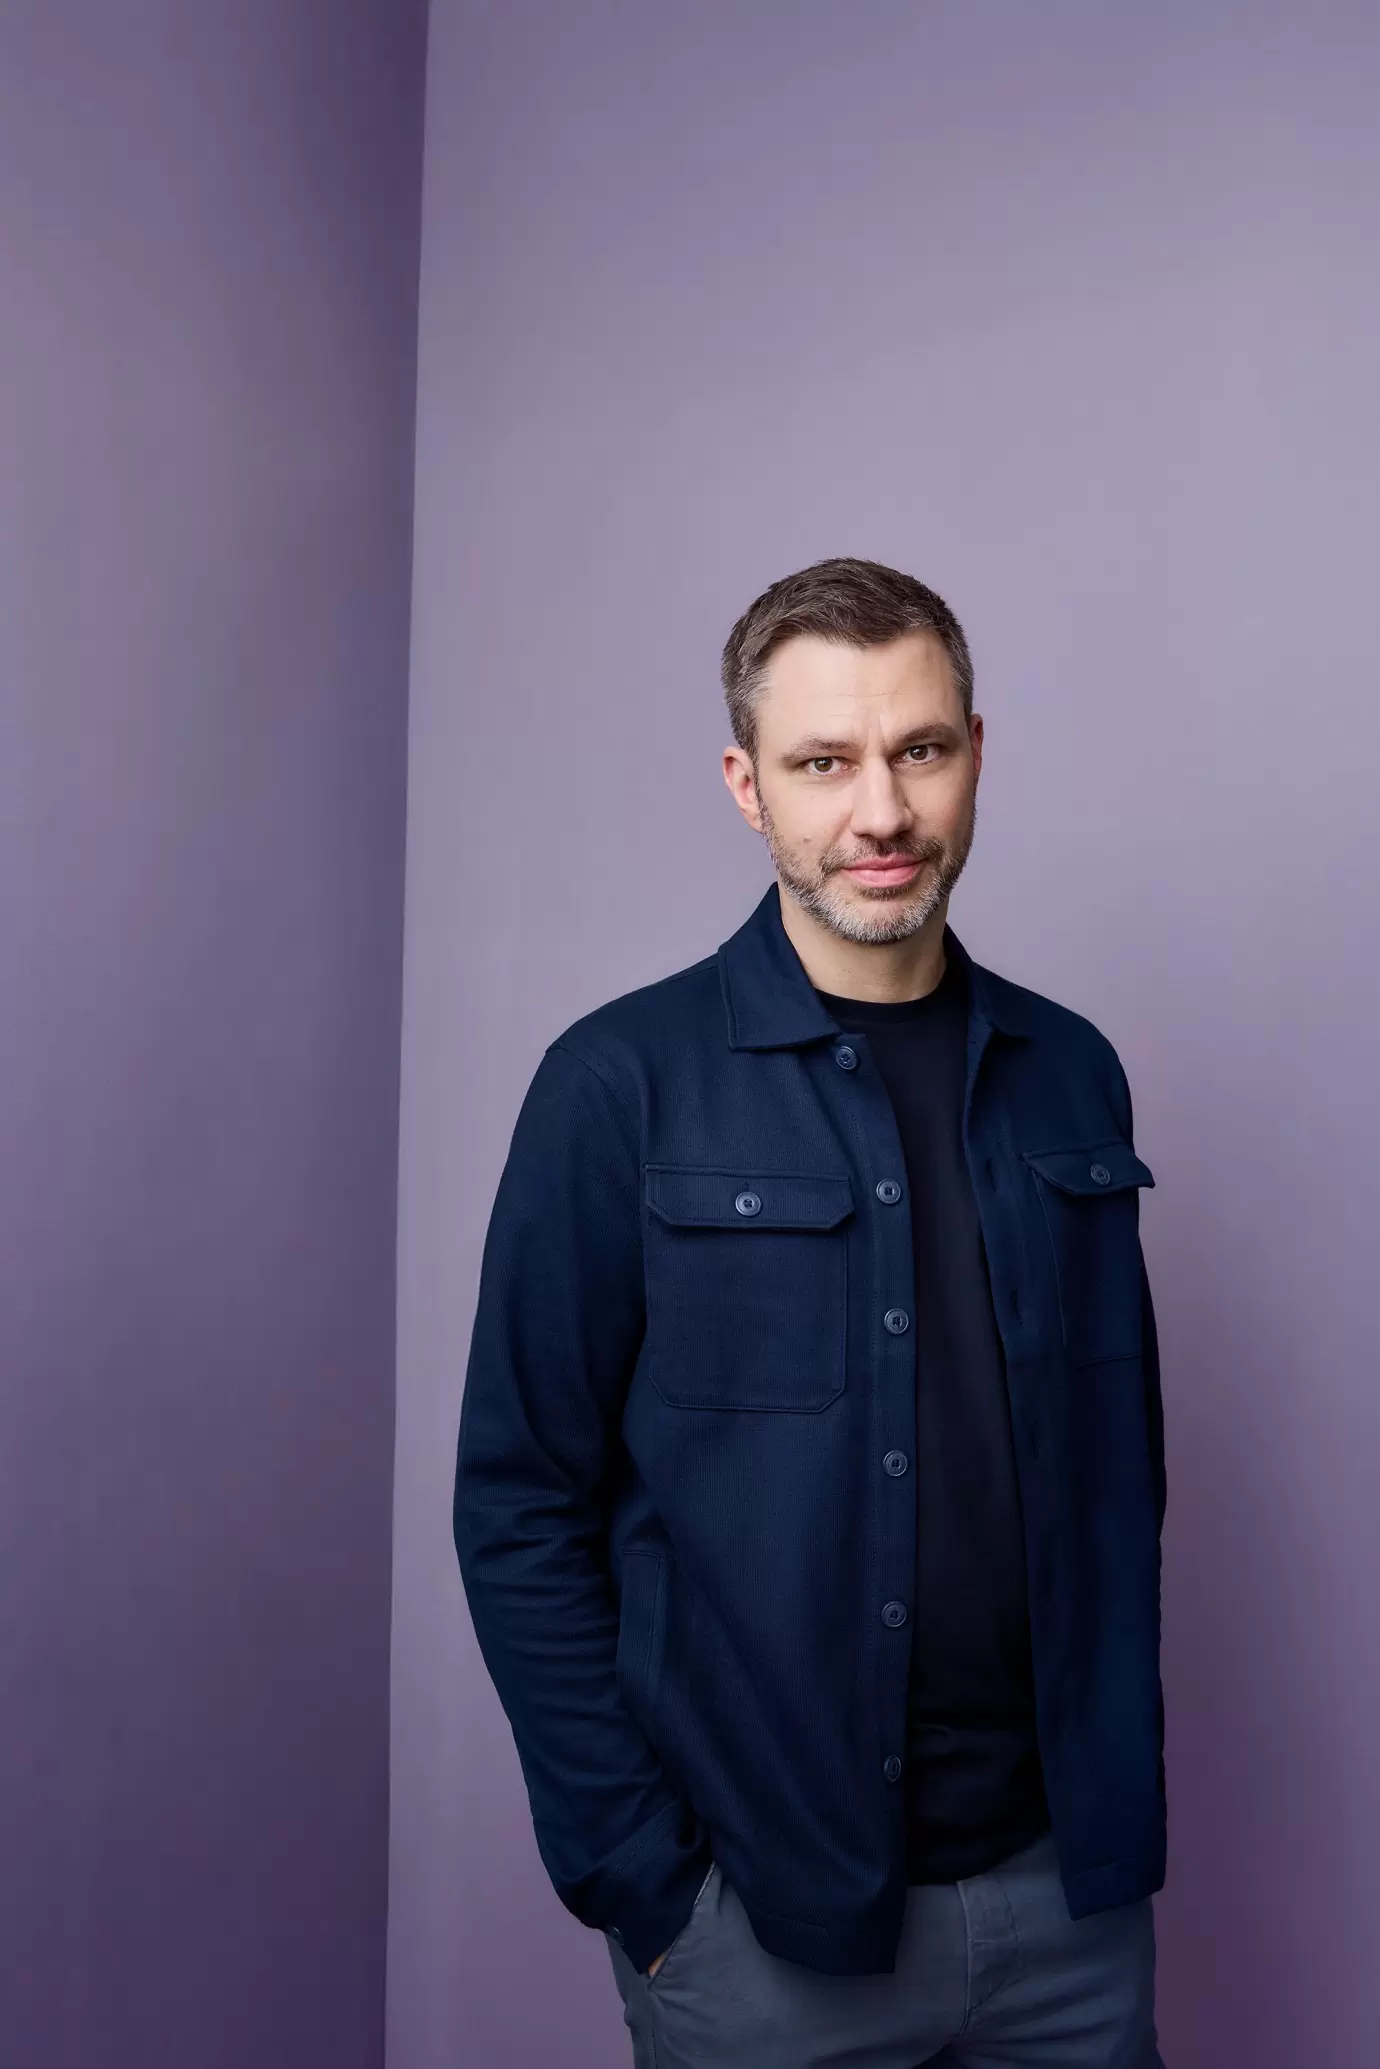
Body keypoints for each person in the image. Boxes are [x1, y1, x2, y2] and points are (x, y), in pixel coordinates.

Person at [452, 557, 1168, 2067]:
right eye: (824, 762)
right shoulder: (617, 1087)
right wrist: (645, 1884)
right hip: (759, 1928)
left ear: (977, 753)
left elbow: (1118, 1472)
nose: (883, 812)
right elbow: (517, 1504)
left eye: (921, 749)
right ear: (747, 785)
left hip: (1070, 1906)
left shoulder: (1072, 1075)